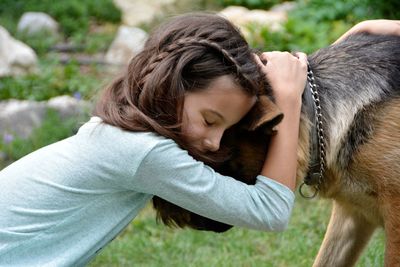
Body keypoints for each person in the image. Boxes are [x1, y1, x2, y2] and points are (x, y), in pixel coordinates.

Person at [0, 12, 398, 266]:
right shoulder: (140, 153)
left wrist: (362, 35)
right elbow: (270, 211)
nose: (212, 143)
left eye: (223, 128)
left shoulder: (118, 134)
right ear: (172, 86)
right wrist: (290, 100)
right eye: (210, 119)